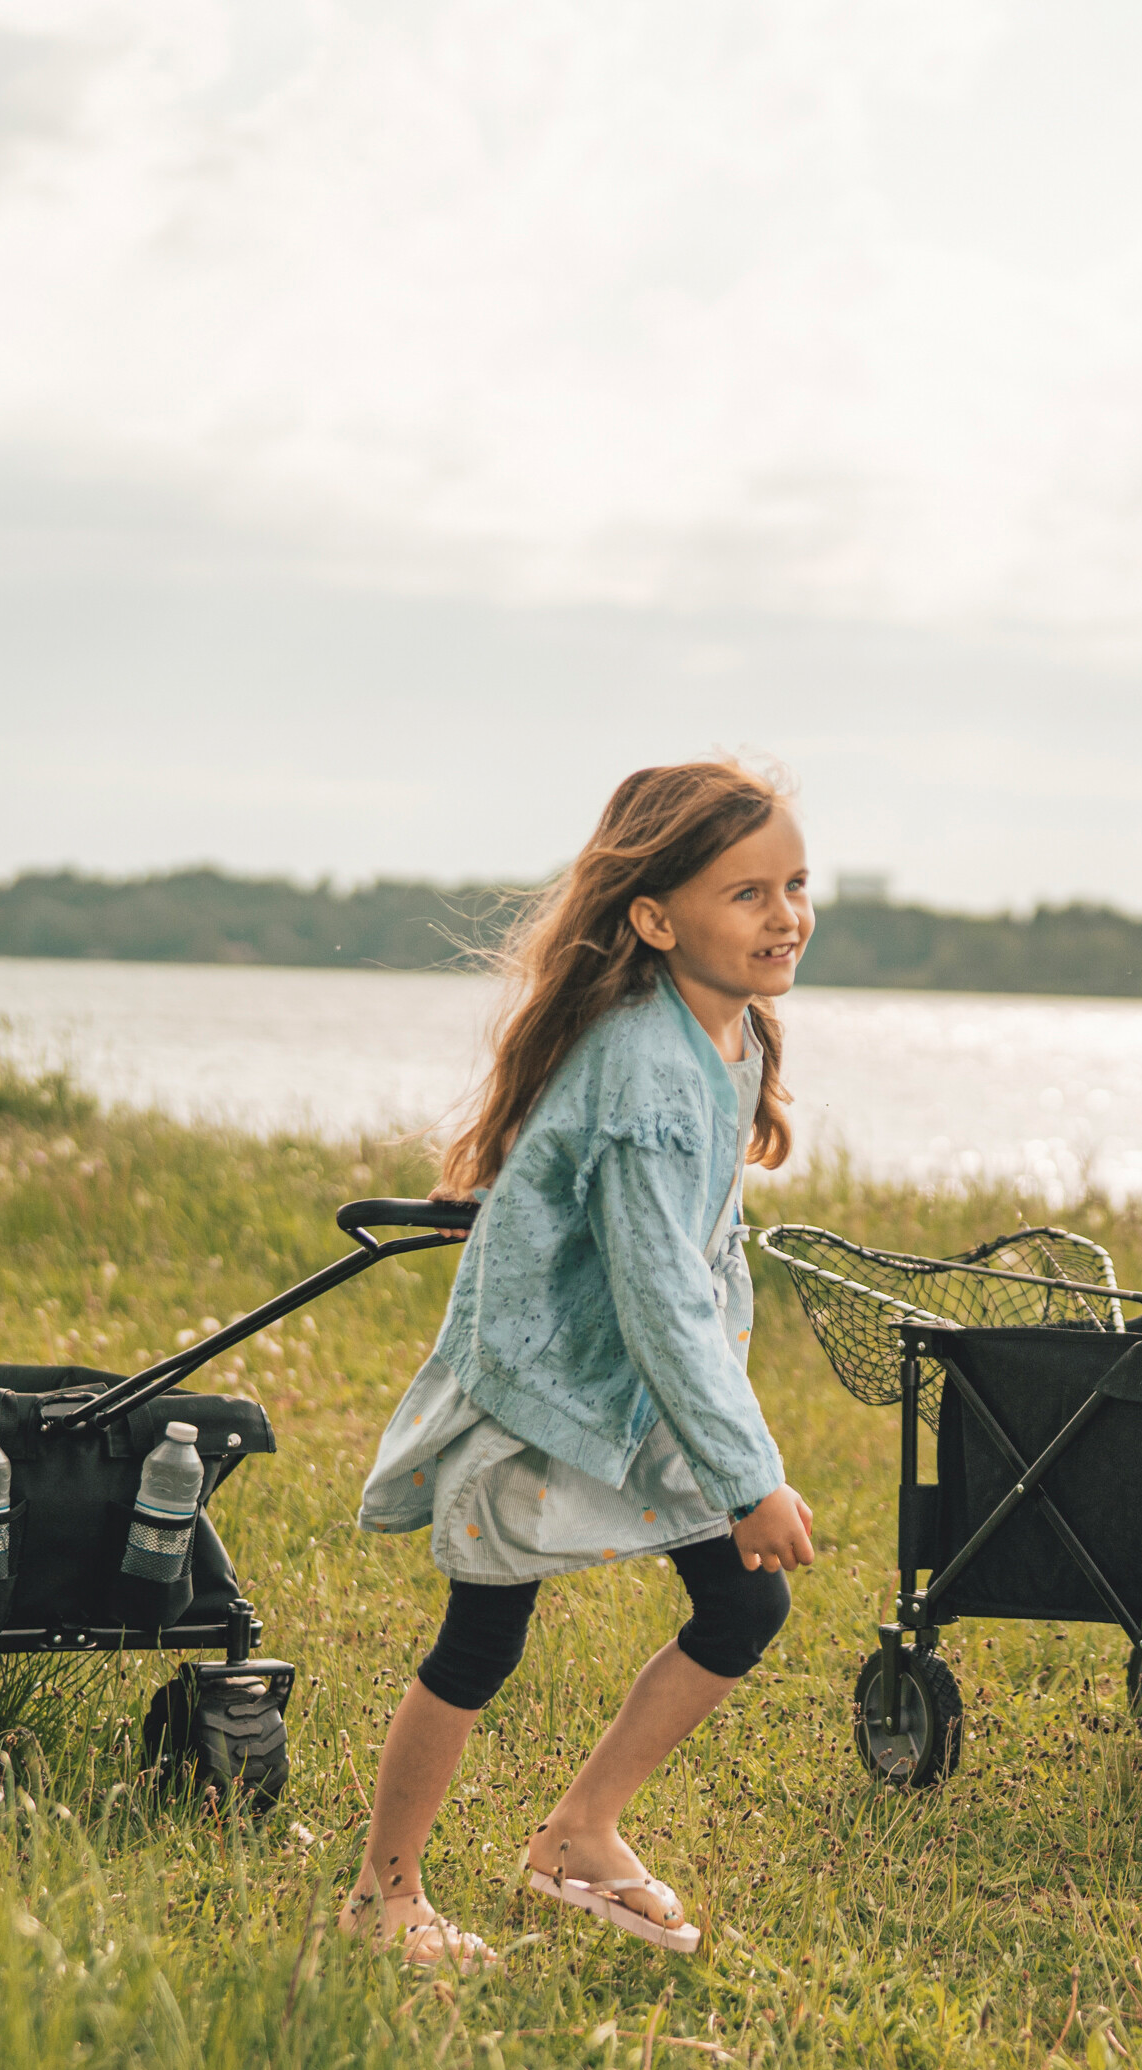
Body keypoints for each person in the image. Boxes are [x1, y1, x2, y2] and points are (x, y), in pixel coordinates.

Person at [343, 759, 821, 1968]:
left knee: (743, 1599)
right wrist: (746, 1469)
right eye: (747, 893)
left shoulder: (730, 1038)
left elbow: (696, 1271)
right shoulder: (645, 1069)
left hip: (647, 1389)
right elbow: (657, 1290)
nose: (785, 916)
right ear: (656, 919)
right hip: (548, 1388)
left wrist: (725, 1427)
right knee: (482, 1636)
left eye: (795, 886)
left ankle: (579, 1833)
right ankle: (382, 1896)